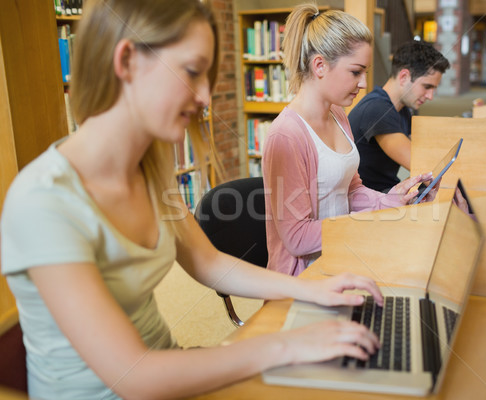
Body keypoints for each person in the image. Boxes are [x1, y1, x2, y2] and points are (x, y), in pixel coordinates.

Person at [0, 1, 387, 398]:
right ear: (128, 61)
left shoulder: (147, 170)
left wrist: (314, 289)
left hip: (169, 371)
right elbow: (135, 377)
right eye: (191, 72)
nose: (204, 96)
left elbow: (208, 262)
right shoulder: (43, 202)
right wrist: (285, 346)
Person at [262, 5, 437, 277]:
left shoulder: (338, 114)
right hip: (305, 276)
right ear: (319, 65)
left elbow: (352, 190)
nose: (364, 83)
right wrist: (369, 221)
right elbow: (296, 238)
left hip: (343, 254)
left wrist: (388, 201)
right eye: (356, 72)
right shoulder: (286, 136)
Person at [349, 40, 450, 193]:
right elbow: (420, 165)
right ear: (404, 77)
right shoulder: (377, 109)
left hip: (385, 191)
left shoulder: (402, 110)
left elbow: (422, 149)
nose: (430, 96)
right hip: (369, 201)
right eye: (427, 87)